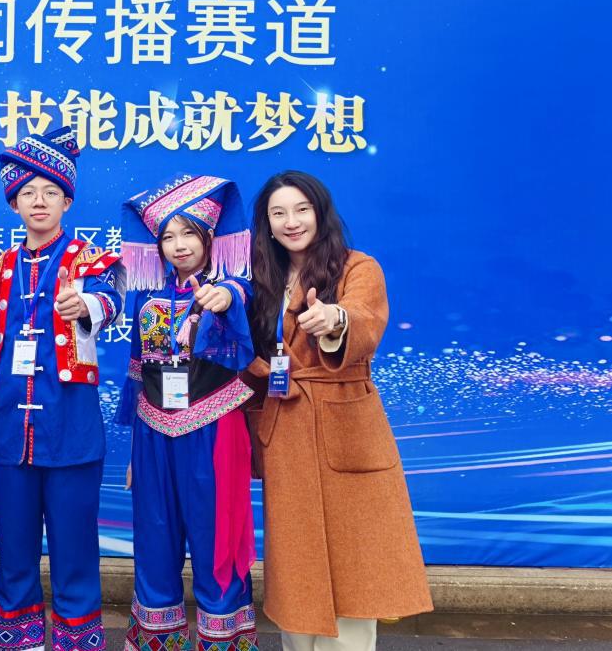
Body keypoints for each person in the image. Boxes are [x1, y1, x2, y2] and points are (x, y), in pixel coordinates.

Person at [245, 171, 431, 651]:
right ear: (266, 225)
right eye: (278, 213)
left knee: (354, 568)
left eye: (301, 209)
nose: (291, 222)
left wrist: (334, 320)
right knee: (296, 570)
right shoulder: (260, 279)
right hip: (286, 431)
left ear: (321, 213)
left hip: (347, 427)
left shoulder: (357, 267)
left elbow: (364, 318)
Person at [0, 127, 126, 651]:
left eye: (51, 192)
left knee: (75, 546)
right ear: (14, 203)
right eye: (28, 192)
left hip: (71, 428)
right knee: (13, 547)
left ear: (67, 201)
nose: (39, 201)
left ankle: (76, 639)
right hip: (9, 428)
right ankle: (17, 638)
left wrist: (88, 306)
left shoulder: (90, 262)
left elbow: (111, 300)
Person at [115, 174, 260, 651]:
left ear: (210, 237)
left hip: (214, 430)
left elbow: (241, 303)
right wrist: (135, 452)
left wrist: (226, 298)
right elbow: (137, 369)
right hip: (153, 430)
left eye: (189, 234)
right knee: (153, 539)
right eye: (168, 237)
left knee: (217, 540)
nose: (178, 246)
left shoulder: (232, 287)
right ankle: (157, 640)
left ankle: (223, 640)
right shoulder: (146, 296)